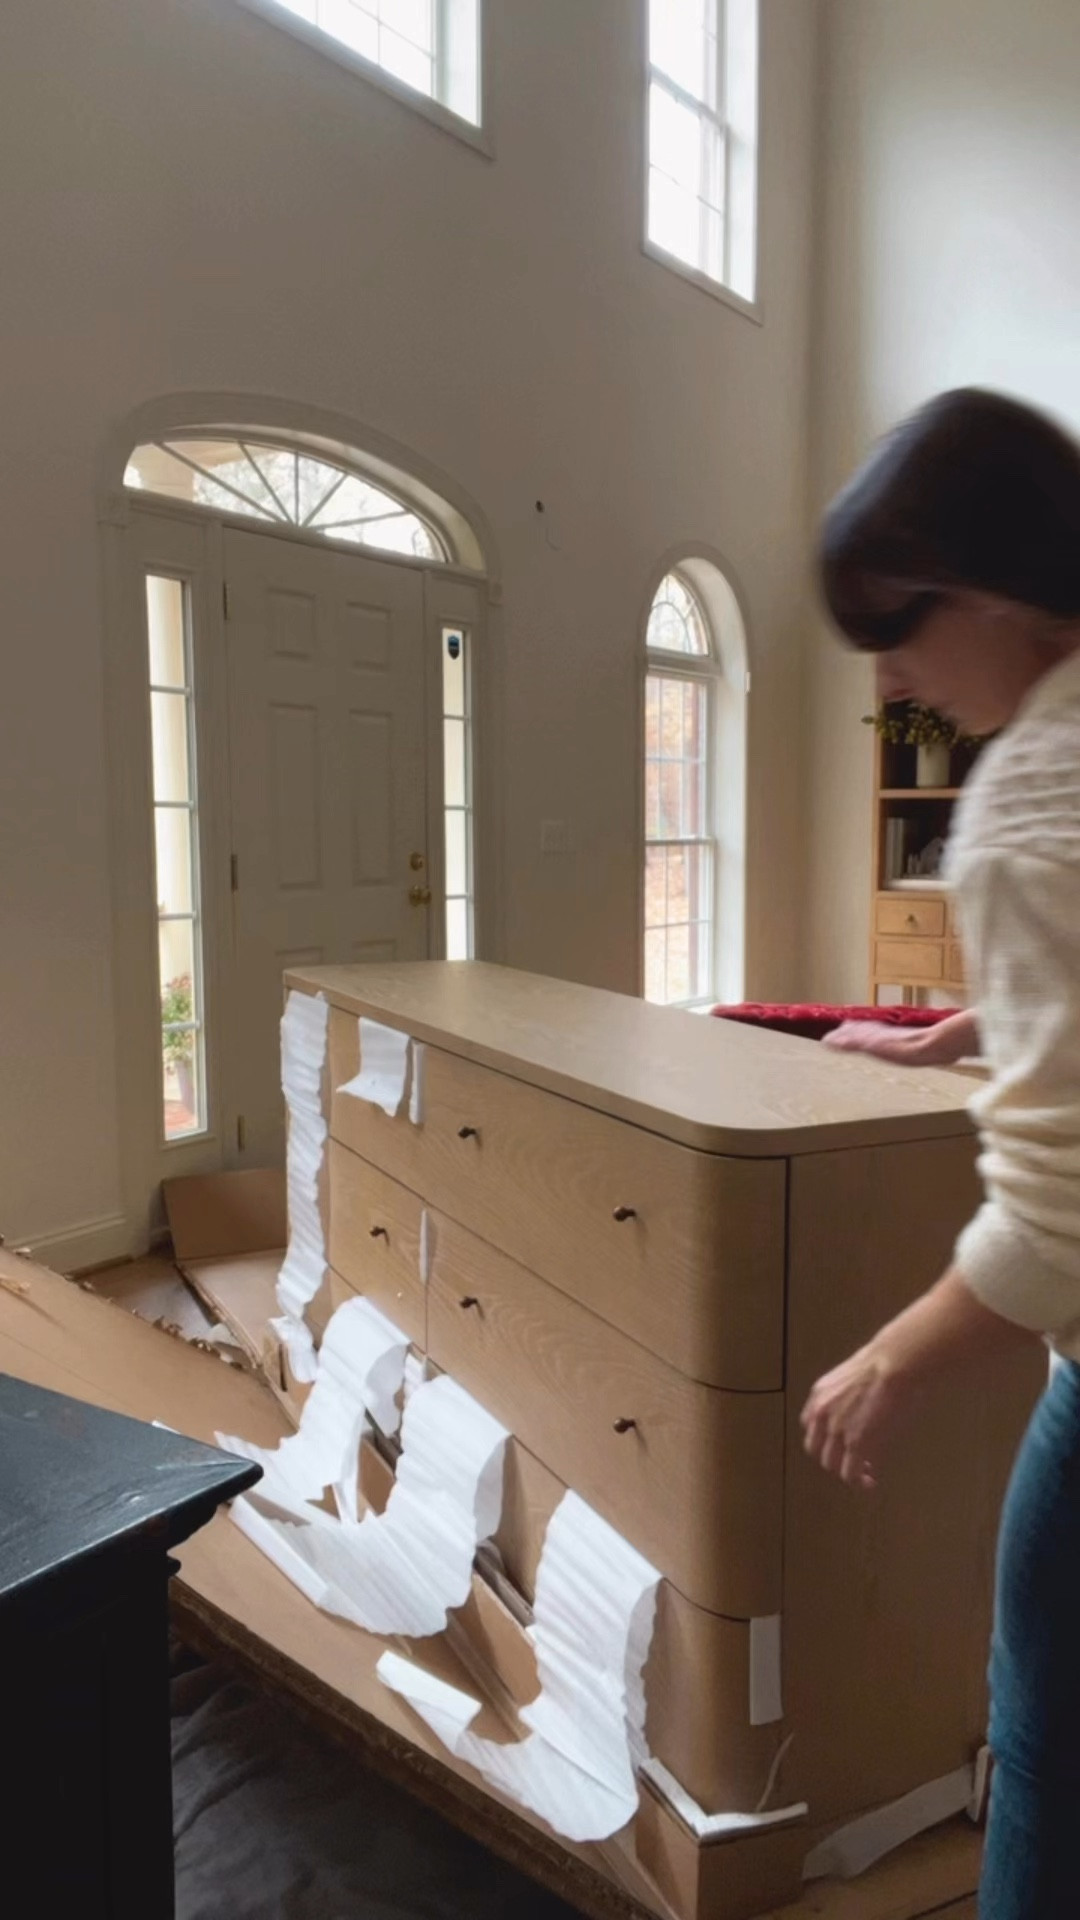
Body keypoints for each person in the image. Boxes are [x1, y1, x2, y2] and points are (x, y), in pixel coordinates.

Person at [801, 387, 1080, 1919]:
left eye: (899, 627)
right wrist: (961, 1034)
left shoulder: (1026, 798)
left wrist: (889, 1358)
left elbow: (1062, 1220)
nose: (893, 677)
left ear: (998, 589)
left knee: (1042, 1749)